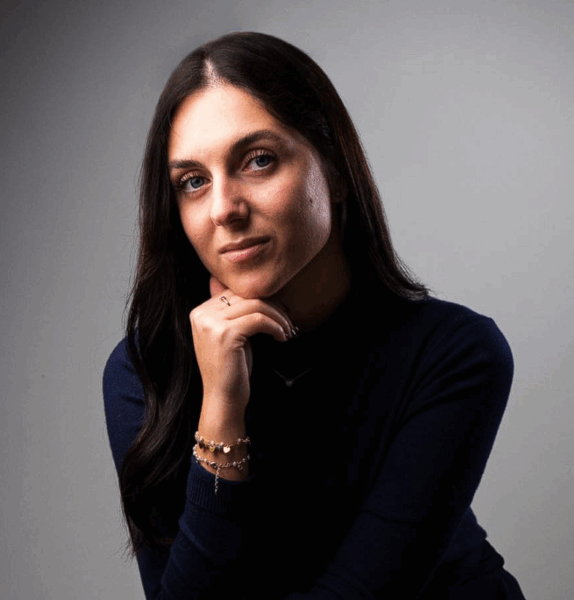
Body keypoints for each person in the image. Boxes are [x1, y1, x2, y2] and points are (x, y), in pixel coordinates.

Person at [103, 31, 527, 599]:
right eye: (194, 181)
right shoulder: (145, 371)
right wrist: (221, 409)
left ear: (337, 169)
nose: (224, 209)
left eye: (258, 160)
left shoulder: (454, 353)